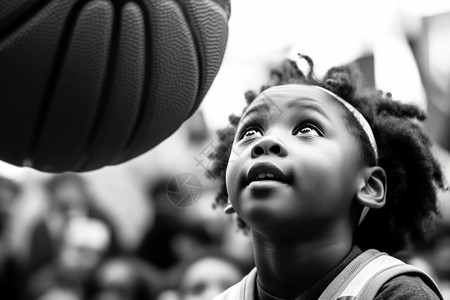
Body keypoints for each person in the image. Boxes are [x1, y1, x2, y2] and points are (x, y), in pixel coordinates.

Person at [207, 55, 447, 299]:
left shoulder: (396, 292)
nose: (265, 142)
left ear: (369, 186)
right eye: (250, 132)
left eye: (306, 129)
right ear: (229, 196)